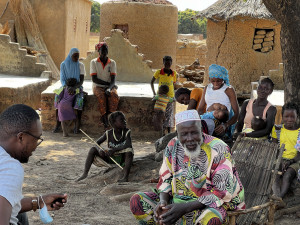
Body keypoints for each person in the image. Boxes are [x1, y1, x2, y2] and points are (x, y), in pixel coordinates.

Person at [130, 110, 245, 225]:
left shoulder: (218, 148)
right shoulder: (172, 145)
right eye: (184, 134)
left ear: (201, 130)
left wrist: (184, 208)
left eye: (194, 132)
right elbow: (166, 179)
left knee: (211, 219)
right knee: (137, 201)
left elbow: (221, 192)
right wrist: (163, 203)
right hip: (175, 202)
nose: (190, 138)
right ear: (178, 134)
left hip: (207, 205)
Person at [0, 104, 67, 225]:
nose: (36, 146)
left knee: (20, 214)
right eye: (37, 139)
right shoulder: (10, 167)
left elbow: (6, 202)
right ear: (21, 137)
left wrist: (39, 201)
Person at [77, 111, 133, 182]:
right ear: (114, 122)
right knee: (93, 149)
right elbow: (96, 143)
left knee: (129, 151)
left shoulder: (127, 132)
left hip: (122, 160)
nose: (125, 121)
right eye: (121, 120)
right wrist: (101, 150)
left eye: (124, 119)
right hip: (110, 159)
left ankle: (125, 177)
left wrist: (114, 150)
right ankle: (85, 174)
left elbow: (128, 144)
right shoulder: (108, 133)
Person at [197, 64, 239, 137]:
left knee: (204, 129)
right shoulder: (207, 88)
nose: (215, 83)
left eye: (219, 81)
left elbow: (236, 113)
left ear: (223, 78)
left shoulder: (228, 89)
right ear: (209, 79)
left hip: (222, 122)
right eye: (213, 81)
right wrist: (197, 119)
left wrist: (226, 125)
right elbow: (200, 109)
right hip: (207, 118)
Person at [53, 48, 85, 134]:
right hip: (65, 86)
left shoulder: (80, 65)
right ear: (70, 56)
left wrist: (74, 88)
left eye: (78, 56)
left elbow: (81, 81)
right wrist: (67, 87)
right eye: (75, 56)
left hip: (77, 86)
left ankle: (77, 124)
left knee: (79, 100)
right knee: (57, 97)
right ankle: (58, 123)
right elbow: (62, 79)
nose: (77, 58)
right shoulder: (63, 64)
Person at [272, 103, 300, 199]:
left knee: (287, 175)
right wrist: (279, 162)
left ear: (297, 117)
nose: (289, 119)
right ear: (282, 116)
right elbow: (274, 148)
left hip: (294, 161)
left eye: (292, 117)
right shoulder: (277, 129)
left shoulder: (299, 132)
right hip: (279, 159)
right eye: (286, 116)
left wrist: (290, 162)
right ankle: (276, 196)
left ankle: (280, 198)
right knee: (275, 174)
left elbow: (299, 154)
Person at [91, 42, 119, 128]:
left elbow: (113, 79)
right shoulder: (94, 62)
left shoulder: (112, 62)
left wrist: (110, 88)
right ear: (98, 51)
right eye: (102, 50)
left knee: (114, 96)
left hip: (109, 85)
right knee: (101, 96)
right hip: (97, 85)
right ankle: (104, 119)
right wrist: (109, 85)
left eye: (106, 50)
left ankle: (110, 116)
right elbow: (94, 79)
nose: (104, 52)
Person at [151, 56, 177, 134]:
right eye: (166, 63)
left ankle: (168, 133)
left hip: (170, 97)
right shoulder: (159, 72)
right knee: (160, 115)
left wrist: (174, 95)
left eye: (169, 63)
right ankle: (162, 132)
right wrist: (154, 94)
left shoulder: (174, 73)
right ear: (163, 62)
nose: (167, 65)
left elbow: (173, 84)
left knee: (169, 115)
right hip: (161, 97)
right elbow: (151, 82)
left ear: (171, 63)